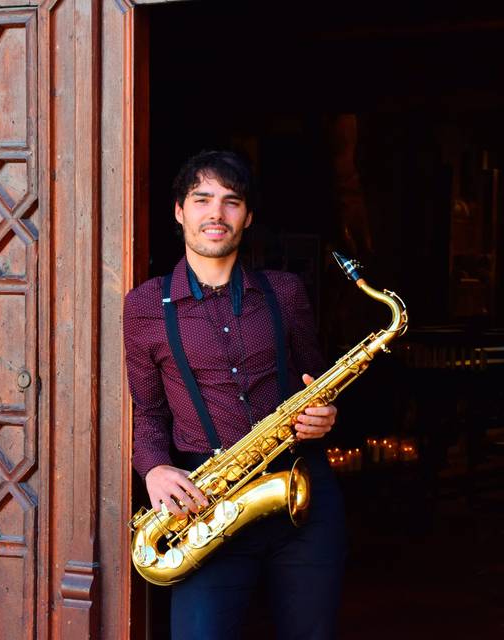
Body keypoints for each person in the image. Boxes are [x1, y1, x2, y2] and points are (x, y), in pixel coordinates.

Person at [123, 150, 346, 639]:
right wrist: (154, 468)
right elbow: (149, 410)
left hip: (301, 492)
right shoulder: (144, 306)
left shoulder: (286, 293)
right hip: (207, 503)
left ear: (247, 217)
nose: (216, 214)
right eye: (202, 200)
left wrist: (326, 415)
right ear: (179, 211)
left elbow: (319, 381)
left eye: (231, 202)